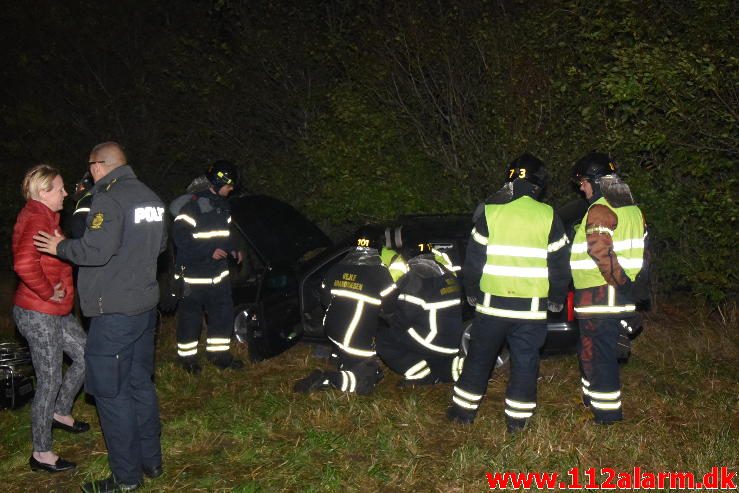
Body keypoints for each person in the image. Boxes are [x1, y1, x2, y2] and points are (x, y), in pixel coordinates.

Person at [34, 142, 167, 492]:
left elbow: (96, 249)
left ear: (97, 166)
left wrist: (59, 247)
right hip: (144, 309)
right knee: (139, 384)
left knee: (111, 394)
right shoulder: (151, 196)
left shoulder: (108, 197)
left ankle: (126, 478)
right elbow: (161, 245)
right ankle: (152, 462)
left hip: (115, 314)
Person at [447, 153, 570, 431]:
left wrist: (472, 292)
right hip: (530, 310)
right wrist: (556, 299)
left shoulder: (491, 212)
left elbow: (473, 261)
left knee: (479, 358)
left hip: (491, 307)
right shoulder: (549, 215)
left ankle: (462, 413)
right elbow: (560, 264)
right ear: (540, 183)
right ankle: (518, 421)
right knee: (526, 363)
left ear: (510, 179)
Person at [11, 164, 88, 473]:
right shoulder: (35, 218)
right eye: (59, 188)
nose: (65, 193)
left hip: (56, 310)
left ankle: (60, 411)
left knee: (86, 355)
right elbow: (23, 263)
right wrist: (46, 291)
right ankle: (41, 452)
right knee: (49, 379)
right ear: (43, 192)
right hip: (37, 312)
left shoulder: (46, 216)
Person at [569, 151, 646, 424]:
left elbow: (599, 251)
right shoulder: (633, 210)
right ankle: (594, 401)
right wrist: (633, 291)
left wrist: (623, 285)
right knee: (597, 352)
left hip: (601, 294)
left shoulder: (601, 209)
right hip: (615, 295)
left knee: (600, 355)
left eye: (583, 182)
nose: (581, 187)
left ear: (597, 181)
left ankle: (607, 417)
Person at [170, 160, 244, 374]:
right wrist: (207, 251)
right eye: (229, 185)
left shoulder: (223, 207)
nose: (231, 189)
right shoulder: (192, 206)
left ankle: (219, 355)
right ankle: (187, 359)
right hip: (194, 277)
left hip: (218, 276)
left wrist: (233, 248)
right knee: (190, 319)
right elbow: (180, 238)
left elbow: (225, 233)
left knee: (223, 315)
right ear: (219, 182)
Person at [293, 242, 396, 394]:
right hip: (355, 334)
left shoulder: (337, 268)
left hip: (331, 327)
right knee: (365, 384)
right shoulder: (379, 273)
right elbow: (391, 307)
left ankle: (340, 360)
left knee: (370, 369)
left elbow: (324, 299)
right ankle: (326, 379)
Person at [377, 254, 465, 386]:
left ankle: (420, 375)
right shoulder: (447, 275)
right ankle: (452, 368)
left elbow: (402, 319)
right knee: (413, 333)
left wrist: (383, 316)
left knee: (383, 339)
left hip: (432, 341)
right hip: (451, 342)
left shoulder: (417, 279)